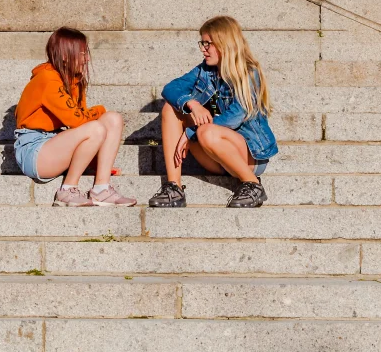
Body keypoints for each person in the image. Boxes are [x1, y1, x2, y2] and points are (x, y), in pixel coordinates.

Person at [149, 15, 278, 209]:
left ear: (224, 43)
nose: (203, 49)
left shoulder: (249, 73)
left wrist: (189, 133)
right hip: (215, 156)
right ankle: (174, 188)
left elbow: (235, 117)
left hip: (248, 156)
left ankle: (252, 184)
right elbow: (170, 88)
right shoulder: (205, 71)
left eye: (207, 44)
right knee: (170, 109)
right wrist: (192, 103)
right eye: (202, 43)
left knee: (205, 131)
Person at [14, 26, 136, 208]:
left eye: (86, 52)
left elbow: (78, 125)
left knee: (113, 119)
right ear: (65, 55)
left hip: (56, 141)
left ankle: (102, 188)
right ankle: (67, 190)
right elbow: (79, 120)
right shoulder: (47, 79)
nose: (87, 58)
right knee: (97, 126)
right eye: (82, 53)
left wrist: (97, 161)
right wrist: (99, 110)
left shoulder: (76, 81)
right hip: (34, 150)